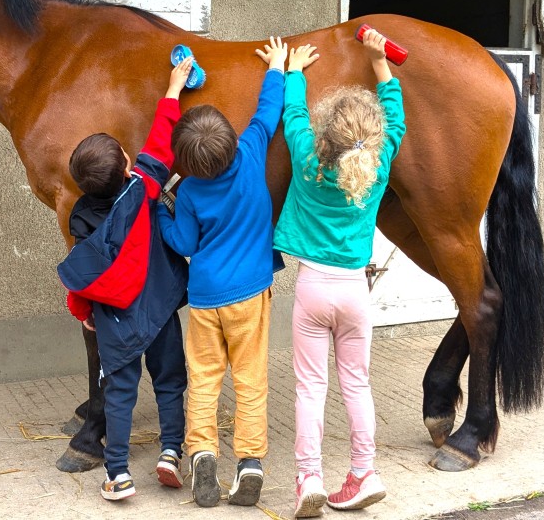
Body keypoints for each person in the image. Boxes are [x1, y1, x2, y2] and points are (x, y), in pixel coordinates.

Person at [273, 29, 406, 516]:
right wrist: (379, 64)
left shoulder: (309, 158)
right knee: (357, 383)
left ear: (325, 130)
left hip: (312, 290)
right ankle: (363, 470)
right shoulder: (380, 163)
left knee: (311, 386)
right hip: (355, 294)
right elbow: (396, 119)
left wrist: (292, 73)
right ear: (373, 139)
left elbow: (291, 117)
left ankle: (309, 477)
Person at [57, 57, 195, 501]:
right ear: (125, 162)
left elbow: (81, 277)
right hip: (157, 311)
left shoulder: (80, 219)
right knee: (170, 380)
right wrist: (173, 89)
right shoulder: (142, 189)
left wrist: (85, 314)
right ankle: (171, 450)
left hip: (114, 320)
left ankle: (117, 472)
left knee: (118, 393)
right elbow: (161, 142)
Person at [157, 36, 287, 508]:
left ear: (186, 163)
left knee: (205, 378)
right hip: (251, 294)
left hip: (206, 296)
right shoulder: (251, 154)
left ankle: (203, 454)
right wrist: (276, 68)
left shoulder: (189, 192)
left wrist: (163, 214)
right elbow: (267, 113)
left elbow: (185, 244)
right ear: (232, 139)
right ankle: (249, 463)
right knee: (250, 379)